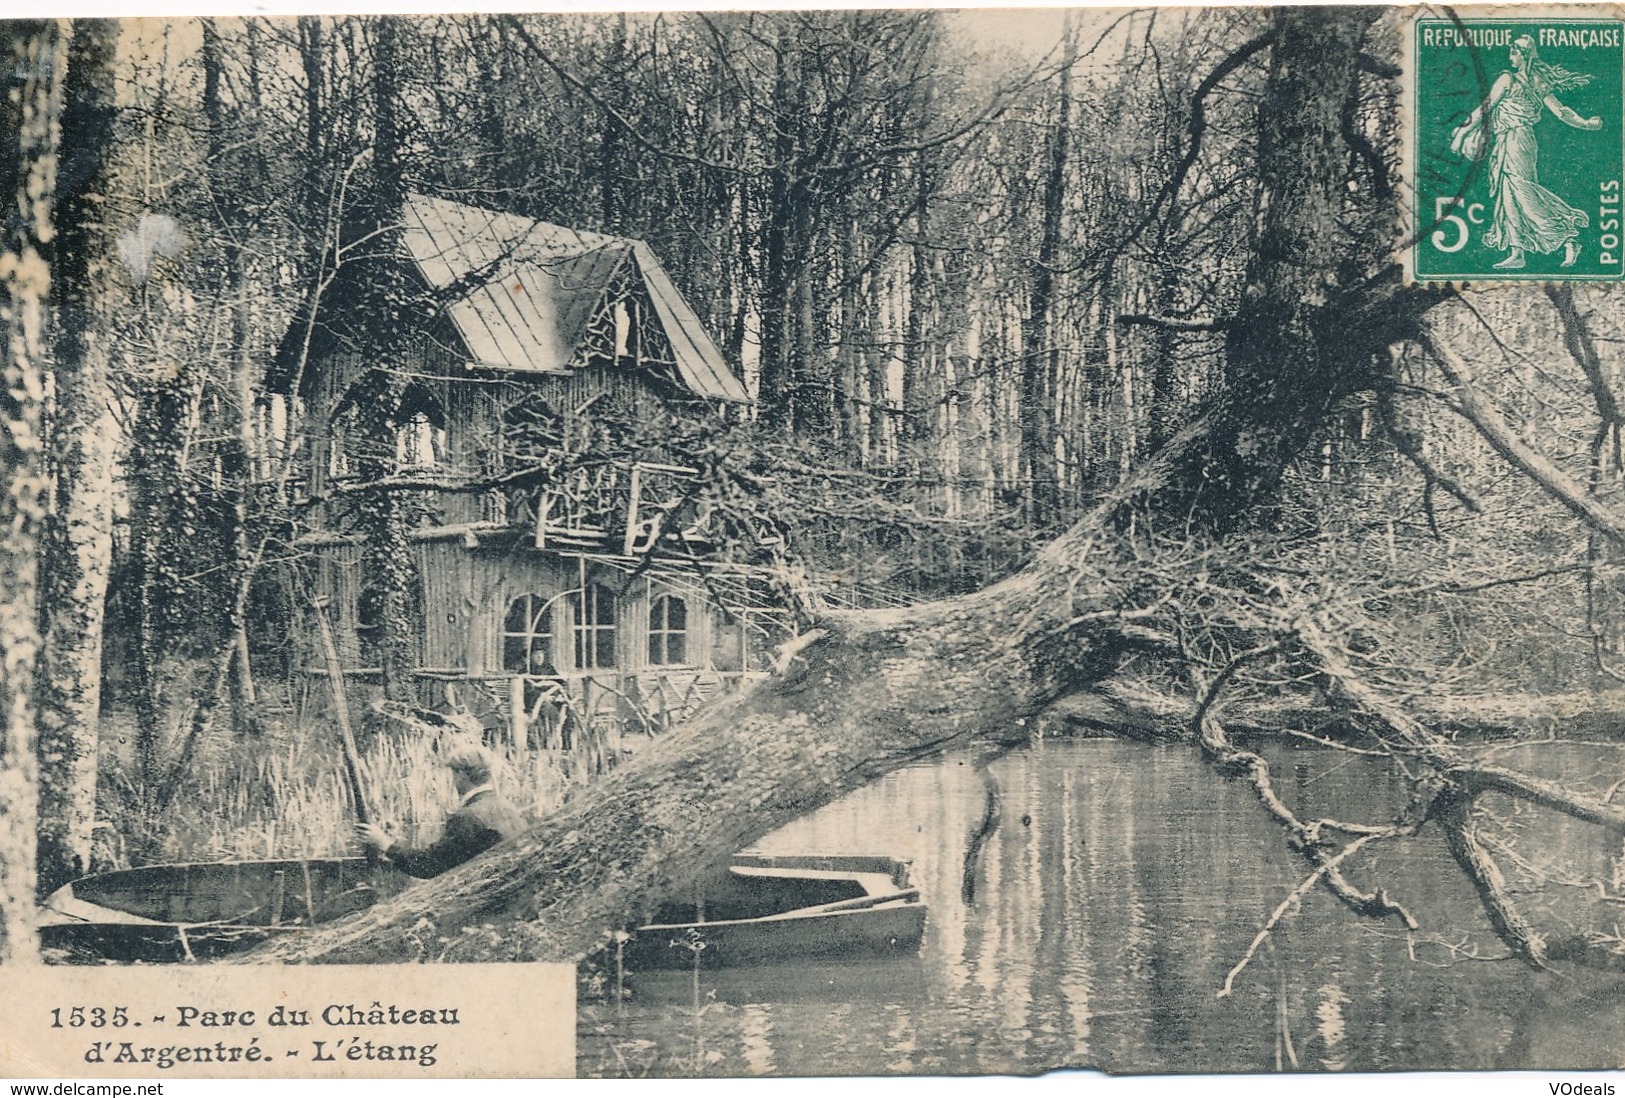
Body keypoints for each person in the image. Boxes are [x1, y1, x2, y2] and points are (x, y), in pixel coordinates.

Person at [1452, 35, 1602, 270]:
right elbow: (1561, 111)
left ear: (1523, 55)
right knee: (1508, 194)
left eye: (1513, 52)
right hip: (1509, 140)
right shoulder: (1536, 80)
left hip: (1518, 140)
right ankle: (1517, 252)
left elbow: (1487, 106)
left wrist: (1462, 132)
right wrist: (1584, 123)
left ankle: (1567, 234)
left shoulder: (1509, 79)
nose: (1510, 56)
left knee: (1522, 192)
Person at [356, 742, 526, 878]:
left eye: (453, 775)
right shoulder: (508, 808)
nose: (452, 781)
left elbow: (429, 865)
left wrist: (385, 844)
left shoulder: (467, 817)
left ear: (462, 775)